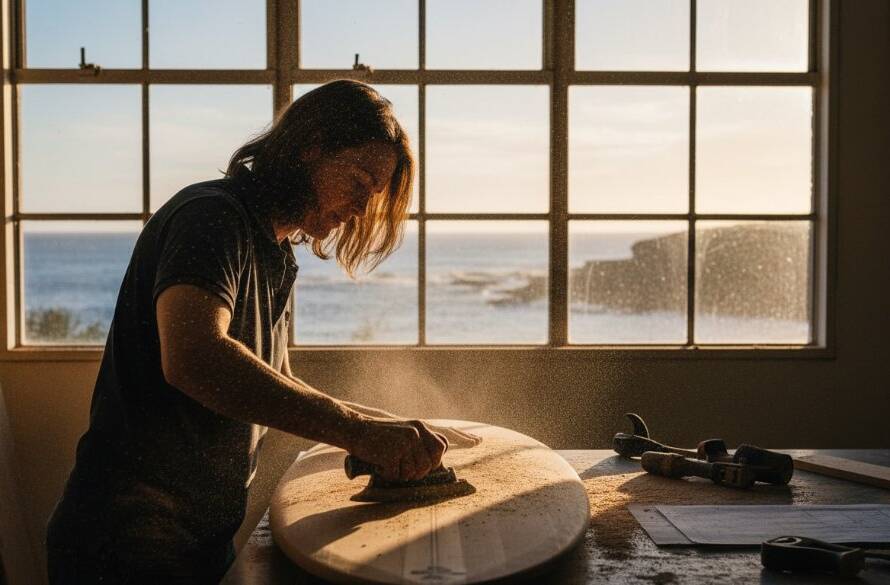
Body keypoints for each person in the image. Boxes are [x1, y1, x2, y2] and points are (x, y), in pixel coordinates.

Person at [45, 80, 480, 584]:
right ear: (310, 147)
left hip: (198, 539)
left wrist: (393, 426)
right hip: (124, 542)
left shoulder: (274, 251)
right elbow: (194, 357)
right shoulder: (212, 216)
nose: (361, 208)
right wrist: (359, 433)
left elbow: (278, 380)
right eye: (359, 181)